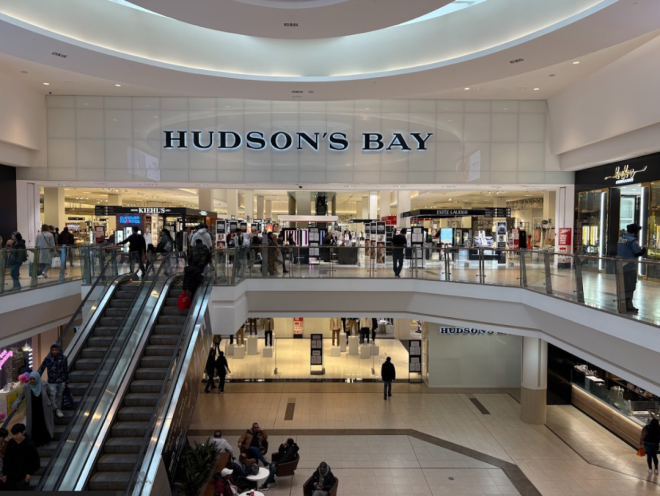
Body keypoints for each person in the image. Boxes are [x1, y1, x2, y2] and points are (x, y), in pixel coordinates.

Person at [12, 372, 54, 448]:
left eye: (34, 379)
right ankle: (36, 442)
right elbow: (21, 396)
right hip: (33, 409)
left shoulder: (44, 384)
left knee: (43, 424)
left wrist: (52, 404)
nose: (32, 381)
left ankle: (44, 440)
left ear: (37, 378)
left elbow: (51, 394)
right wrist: (15, 405)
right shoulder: (27, 386)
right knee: (34, 424)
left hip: (43, 408)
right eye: (30, 379)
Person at [617, 223, 647, 313]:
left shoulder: (621, 239)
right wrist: (644, 249)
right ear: (635, 232)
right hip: (630, 266)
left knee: (623, 285)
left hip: (620, 265)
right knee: (630, 286)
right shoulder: (633, 240)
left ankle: (622, 304)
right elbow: (637, 253)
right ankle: (628, 306)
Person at [1, 424, 40, 491]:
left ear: (23, 432)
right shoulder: (11, 442)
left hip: (23, 477)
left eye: (17, 434)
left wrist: (30, 473)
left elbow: (35, 461)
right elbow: (7, 459)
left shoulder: (29, 445)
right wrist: (5, 473)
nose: (15, 436)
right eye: (13, 434)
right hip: (11, 476)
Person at [36, 343, 69, 418]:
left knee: (59, 396)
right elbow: (42, 368)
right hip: (52, 381)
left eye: (55, 350)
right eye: (53, 350)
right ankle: (56, 409)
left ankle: (58, 410)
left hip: (61, 381)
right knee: (52, 396)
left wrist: (67, 380)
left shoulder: (63, 358)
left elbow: (66, 369)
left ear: (58, 350)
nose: (54, 351)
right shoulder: (48, 359)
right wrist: (36, 377)